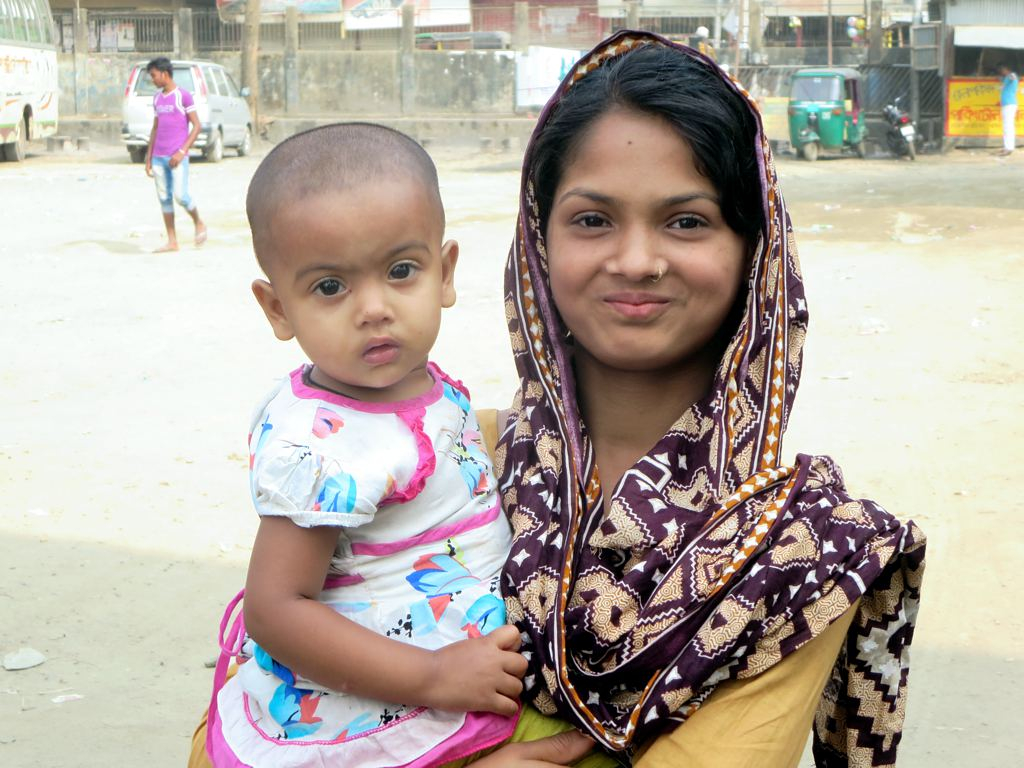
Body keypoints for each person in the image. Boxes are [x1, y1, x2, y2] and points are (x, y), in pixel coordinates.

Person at [492, 31, 926, 767]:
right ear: (538, 241)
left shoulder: (798, 554)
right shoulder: (437, 461)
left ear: (755, 252)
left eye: (687, 220)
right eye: (592, 219)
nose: (636, 260)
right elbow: (255, 723)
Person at [196, 123, 619, 768]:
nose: (374, 307)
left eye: (400, 271)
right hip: (388, 681)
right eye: (329, 287)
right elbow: (276, 610)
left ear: (444, 273)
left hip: (462, 634)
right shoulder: (322, 449)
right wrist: (434, 678)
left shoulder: (415, 384)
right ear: (277, 308)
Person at [144, 56, 207, 252]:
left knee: (181, 196)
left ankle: (198, 222)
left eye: (154, 76)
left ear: (165, 74)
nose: (153, 80)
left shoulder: (183, 96)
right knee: (164, 198)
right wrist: (148, 156)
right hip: (158, 157)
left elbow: (196, 126)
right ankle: (172, 241)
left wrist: (182, 151)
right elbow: (155, 128)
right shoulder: (156, 98)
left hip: (177, 156)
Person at [997, 63, 1018, 156]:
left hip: (1009, 104)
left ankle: (1009, 148)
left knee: (1008, 126)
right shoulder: (1006, 78)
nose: (1001, 72)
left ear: (1007, 69)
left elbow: (1013, 77)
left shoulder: (1011, 76)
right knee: (1006, 126)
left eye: (1002, 70)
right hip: (1006, 104)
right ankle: (1007, 146)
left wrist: (1011, 75)